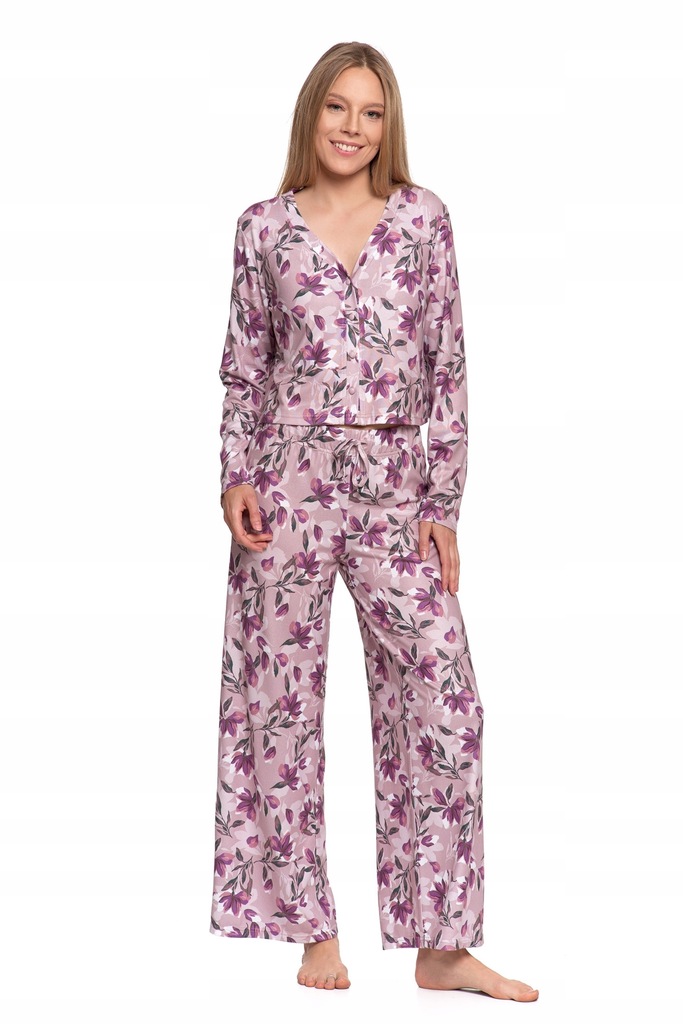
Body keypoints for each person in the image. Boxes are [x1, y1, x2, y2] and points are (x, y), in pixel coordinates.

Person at [209, 41, 539, 1002]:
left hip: (396, 487)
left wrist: (443, 503)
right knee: (278, 708)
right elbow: (244, 366)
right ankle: (310, 928)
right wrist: (234, 476)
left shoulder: (422, 219)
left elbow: (449, 366)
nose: (352, 128)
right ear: (311, 113)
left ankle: (442, 944)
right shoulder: (263, 228)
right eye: (337, 108)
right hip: (288, 485)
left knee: (445, 699)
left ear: (387, 125)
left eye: (371, 112)